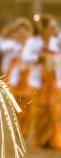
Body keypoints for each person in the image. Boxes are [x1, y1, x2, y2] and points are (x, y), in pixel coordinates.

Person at [21, 14, 61, 149]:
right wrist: (40, 56)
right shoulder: (33, 41)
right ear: (43, 28)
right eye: (51, 27)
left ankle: (53, 139)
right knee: (40, 109)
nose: (53, 30)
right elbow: (25, 57)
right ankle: (41, 139)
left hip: (53, 80)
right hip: (37, 80)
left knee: (53, 110)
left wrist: (53, 56)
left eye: (55, 27)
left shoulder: (55, 42)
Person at [3, 17, 33, 137]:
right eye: (19, 32)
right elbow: (4, 48)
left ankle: (25, 127)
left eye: (24, 31)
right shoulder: (12, 45)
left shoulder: (32, 45)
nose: (22, 34)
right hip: (16, 78)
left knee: (29, 104)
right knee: (18, 104)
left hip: (29, 78)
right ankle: (19, 128)